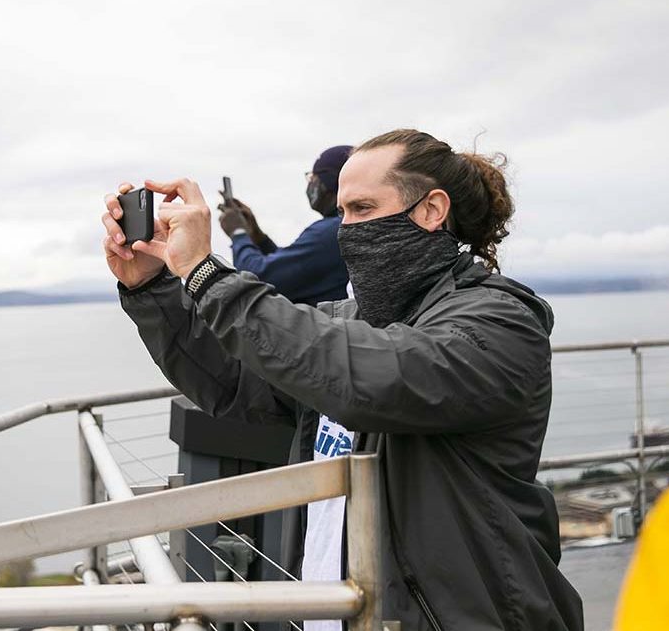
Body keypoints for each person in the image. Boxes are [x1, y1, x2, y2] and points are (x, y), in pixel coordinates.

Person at [100, 129, 584, 630]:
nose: (346, 229)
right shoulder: (348, 322)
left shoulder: (500, 324)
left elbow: (369, 379)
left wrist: (205, 273)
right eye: (342, 212)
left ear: (431, 210)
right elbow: (234, 380)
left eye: (363, 208)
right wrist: (152, 286)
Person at [217, 146, 351, 306]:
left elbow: (256, 279)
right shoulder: (340, 228)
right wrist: (258, 237)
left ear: (327, 182)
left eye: (312, 178)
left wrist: (238, 232)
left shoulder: (331, 232)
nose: (310, 185)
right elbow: (290, 270)